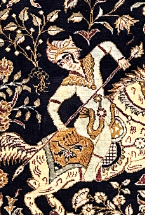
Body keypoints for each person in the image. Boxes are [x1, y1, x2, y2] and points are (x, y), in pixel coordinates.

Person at [45, 38, 129, 182]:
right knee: (105, 134)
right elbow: (52, 105)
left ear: (72, 53)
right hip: (88, 118)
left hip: (106, 108)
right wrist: (59, 124)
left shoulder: (90, 60)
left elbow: (107, 44)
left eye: (66, 57)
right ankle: (91, 171)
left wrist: (120, 58)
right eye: (61, 63)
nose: (65, 63)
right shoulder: (69, 83)